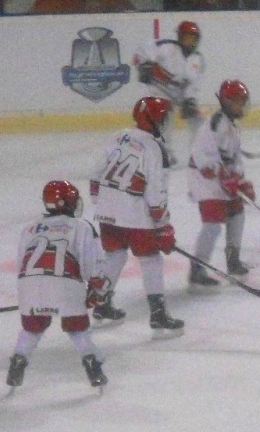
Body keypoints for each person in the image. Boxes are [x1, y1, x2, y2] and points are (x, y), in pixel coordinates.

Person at [89, 96, 184, 336]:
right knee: (151, 260)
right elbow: (155, 193)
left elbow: (95, 174)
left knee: (114, 256)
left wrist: (103, 204)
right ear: (152, 119)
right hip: (135, 217)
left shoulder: (118, 136)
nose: (165, 123)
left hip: (106, 212)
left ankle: (102, 304)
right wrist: (163, 227)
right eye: (163, 118)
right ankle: (158, 314)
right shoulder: (155, 149)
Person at [7, 181, 110, 389]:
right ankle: (92, 365)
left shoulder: (30, 228)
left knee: (32, 329)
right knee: (77, 329)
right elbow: (92, 262)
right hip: (65, 285)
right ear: (70, 202)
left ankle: (18, 360)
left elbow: (21, 263)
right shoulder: (80, 227)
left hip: (29, 284)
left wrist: (32, 294)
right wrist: (96, 288)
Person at [186, 79, 255, 286]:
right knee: (213, 224)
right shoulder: (216, 123)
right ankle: (197, 268)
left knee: (237, 213)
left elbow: (233, 159)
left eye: (243, 101)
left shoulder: (232, 127)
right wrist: (224, 176)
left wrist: (241, 180)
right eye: (237, 101)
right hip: (203, 180)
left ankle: (232, 260)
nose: (241, 106)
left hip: (220, 178)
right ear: (225, 101)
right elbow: (203, 158)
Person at [132, 20, 206, 167]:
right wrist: (143, 65)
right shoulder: (166, 47)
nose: (190, 41)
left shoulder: (198, 59)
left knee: (199, 122)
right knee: (164, 117)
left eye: (193, 38)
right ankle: (164, 153)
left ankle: (200, 154)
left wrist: (189, 100)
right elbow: (141, 51)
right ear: (179, 37)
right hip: (158, 90)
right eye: (187, 37)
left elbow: (192, 84)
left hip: (179, 94)